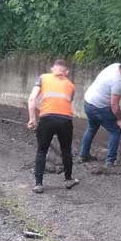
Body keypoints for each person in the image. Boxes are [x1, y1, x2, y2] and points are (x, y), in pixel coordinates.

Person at [27, 60, 79, 194]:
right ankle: (68, 180)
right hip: (65, 120)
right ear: (66, 72)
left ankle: (38, 184)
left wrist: (32, 119)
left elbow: (32, 99)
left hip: (47, 118)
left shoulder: (43, 78)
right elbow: (67, 102)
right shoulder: (71, 85)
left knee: (41, 151)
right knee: (66, 150)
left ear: (52, 69)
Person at [78, 60, 121, 166]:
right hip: (100, 107)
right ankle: (110, 161)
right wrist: (120, 119)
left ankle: (83, 155)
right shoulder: (118, 82)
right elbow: (114, 105)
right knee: (116, 130)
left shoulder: (115, 65)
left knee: (92, 127)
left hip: (88, 102)